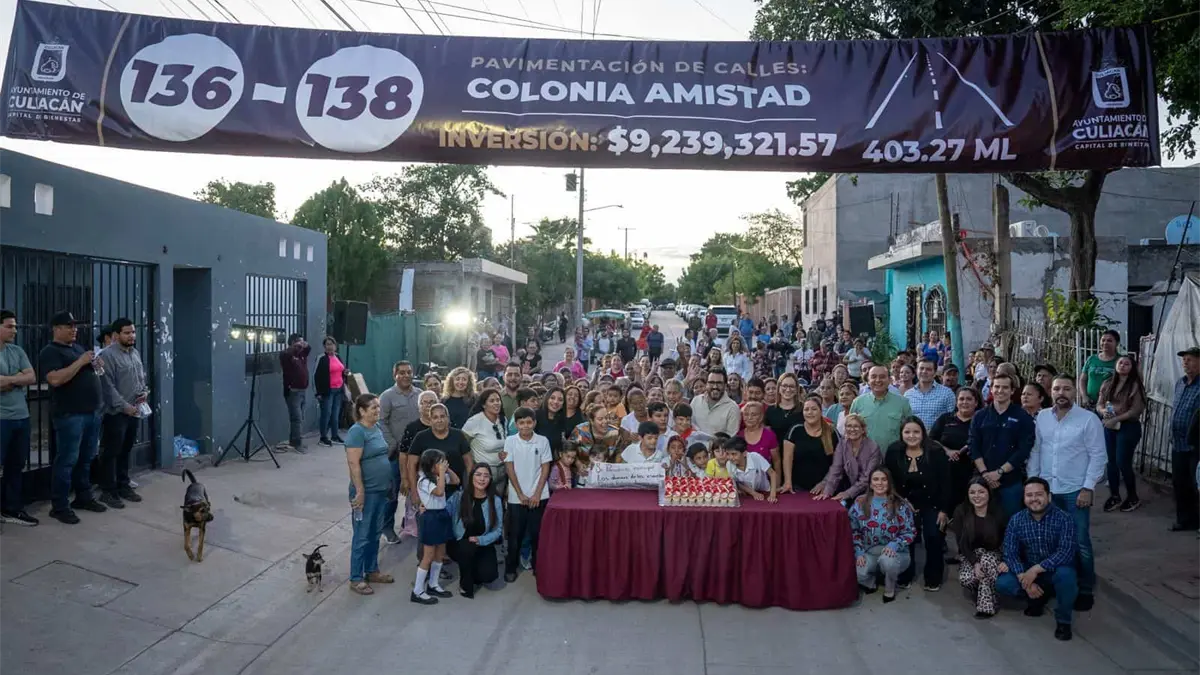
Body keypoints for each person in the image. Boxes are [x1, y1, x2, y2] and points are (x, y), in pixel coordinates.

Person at [1028, 375, 1106, 611]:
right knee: (1048, 540)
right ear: (1050, 392)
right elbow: (1036, 452)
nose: (1061, 393)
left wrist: (1088, 487)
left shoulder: (1088, 420)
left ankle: (1085, 588)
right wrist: (1033, 484)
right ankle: (1053, 584)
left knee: (1079, 541)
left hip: (1075, 491)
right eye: (1056, 388)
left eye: (1066, 389)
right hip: (1047, 491)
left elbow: (1098, 456)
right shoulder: (1042, 418)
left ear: (1074, 392)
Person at [40, 312, 107, 524]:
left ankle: (83, 496)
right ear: (56, 329)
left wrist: (97, 365)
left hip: (91, 412)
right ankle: (59, 506)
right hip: (70, 415)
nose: (74, 329)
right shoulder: (50, 352)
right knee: (67, 460)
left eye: (75, 326)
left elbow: (92, 373)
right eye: (69, 326)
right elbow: (55, 379)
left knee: (86, 458)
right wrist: (81, 361)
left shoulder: (77, 348)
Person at [996, 477, 1079, 641]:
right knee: (1003, 583)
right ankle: (1035, 597)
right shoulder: (1016, 520)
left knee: (1067, 576)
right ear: (1024, 498)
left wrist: (1036, 570)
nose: (1034, 499)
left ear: (1049, 496)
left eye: (1039, 494)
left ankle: (1063, 621)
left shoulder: (1064, 519)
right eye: (1029, 495)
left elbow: (1066, 552)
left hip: (1054, 570)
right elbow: (1010, 552)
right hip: (1028, 570)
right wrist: (1024, 578)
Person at [885, 417, 952, 592]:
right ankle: (905, 575)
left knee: (933, 537)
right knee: (907, 540)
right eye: (907, 432)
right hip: (904, 503)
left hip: (933, 503)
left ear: (923, 433)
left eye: (916, 432)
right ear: (901, 434)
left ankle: (933, 577)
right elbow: (889, 481)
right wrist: (899, 500)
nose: (912, 436)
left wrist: (944, 510)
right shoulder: (893, 451)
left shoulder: (936, 451)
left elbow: (946, 483)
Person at [95, 317, 148, 508]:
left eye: (133, 332)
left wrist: (143, 393)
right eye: (127, 332)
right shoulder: (107, 355)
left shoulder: (135, 353)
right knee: (111, 452)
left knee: (125, 450)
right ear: (116, 335)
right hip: (116, 413)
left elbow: (139, 378)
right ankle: (108, 491)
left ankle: (123, 485)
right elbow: (107, 386)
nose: (132, 336)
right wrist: (124, 406)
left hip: (134, 411)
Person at [344, 394, 393, 596]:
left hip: (381, 490)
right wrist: (360, 492)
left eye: (378, 407)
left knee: (375, 533)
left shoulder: (377, 428)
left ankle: (372, 570)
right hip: (366, 492)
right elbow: (353, 464)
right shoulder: (357, 432)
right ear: (362, 411)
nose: (377, 410)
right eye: (373, 407)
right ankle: (356, 577)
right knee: (362, 535)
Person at [968, 373, 1035, 516]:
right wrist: (986, 474)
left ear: (1012, 391)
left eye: (1005, 387)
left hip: (1011, 481)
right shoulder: (979, 416)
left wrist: (999, 472)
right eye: (996, 386)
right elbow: (973, 446)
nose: (1000, 390)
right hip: (982, 481)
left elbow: (1023, 449)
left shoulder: (1023, 417)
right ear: (991, 389)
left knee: (1011, 523)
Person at [850, 468, 916, 602]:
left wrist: (894, 545)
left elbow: (910, 532)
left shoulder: (900, 504)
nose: (879, 483)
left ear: (889, 483)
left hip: (896, 552)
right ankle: (871, 583)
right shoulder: (860, 503)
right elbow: (853, 530)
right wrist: (859, 552)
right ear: (870, 484)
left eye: (884, 479)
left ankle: (890, 588)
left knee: (887, 561)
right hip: (870, 550)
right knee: (857, 572)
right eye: (875, 479)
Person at [504, 407, 552, 581]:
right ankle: (511, 567)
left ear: (534, 423)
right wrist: (520, 494)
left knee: (537, 534)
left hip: (539, 495)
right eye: (521, 423)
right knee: (515, 535)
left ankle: (538, 566)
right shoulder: (510, 441)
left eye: (529, 422)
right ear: (516, 424)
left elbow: (545, 467)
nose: (525, 426)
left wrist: (537, 494)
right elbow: (509, 468)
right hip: (517, 497)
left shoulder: (542, 441)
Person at [950, 478, 1010, 618]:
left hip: (995, 552)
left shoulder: (999, 512)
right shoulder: (961, 511)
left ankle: (986, 606)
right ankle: (984, 588)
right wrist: (974, 562)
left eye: (981, 492)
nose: (976, 496)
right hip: (971, 553)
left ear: (989, 493)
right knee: (966, 578)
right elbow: (962, 543)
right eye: (972, 492)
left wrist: (1006, 560)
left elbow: (1006, 540)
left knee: (987, 561)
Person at [0, 309, 37, 527]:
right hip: (1, 418)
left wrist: (8, 380)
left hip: (21, 416)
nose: (14, 330)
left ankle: (11, 509)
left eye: (15, 326)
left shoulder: (17, 350)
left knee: (16, 465)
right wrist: (18, 379)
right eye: (9, 326)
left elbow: (32, 376)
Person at [1096, 354, 1146, 513]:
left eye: (1127, 364)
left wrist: (1117, 418)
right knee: (1110, 462)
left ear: (1132, 368)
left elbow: (1136, 410)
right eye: (1120, 363)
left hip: (1128, 426)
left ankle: (1133, 496)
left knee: (1122, 461)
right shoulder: (1108, 383)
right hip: (1110, 425)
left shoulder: (1135, 386)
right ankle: (1115, 495)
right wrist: (1104, 412)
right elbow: (1099, 404)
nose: (1123, 365)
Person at [447, 464, 503, 598]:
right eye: (478, 475)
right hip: (460, 542)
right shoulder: (459, 497)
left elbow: (498, 529)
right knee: (467, 549)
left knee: (489, 575)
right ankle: (465, 584)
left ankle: (472, 570)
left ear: (490, 479)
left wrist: (481, 540)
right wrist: (426, 508)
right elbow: (442, 512)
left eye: (486, 476)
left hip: (481, 542)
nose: (482, 479)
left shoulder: (495, 500)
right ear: (471, 477)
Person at [412, 448, 460, 604]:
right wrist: (440, 473)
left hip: (442, 515)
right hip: (431, 517)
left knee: (440, 552)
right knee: (429, 554)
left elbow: (456, 481)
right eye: (439, 462)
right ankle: (418, 590)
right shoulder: (424, 481)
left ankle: (433, 584)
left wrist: (447, 469)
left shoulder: (439, 477)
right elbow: (439, 492)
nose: (442, 466)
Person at [931, 387, 982, 522]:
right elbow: (931, 439)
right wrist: (947, 451)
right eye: (961, 399)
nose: (964, 402)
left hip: (972, 474)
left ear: (976, 402)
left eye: (969, 399)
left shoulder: (981, 420)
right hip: (946, 473)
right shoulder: (945, 419)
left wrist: (969, 446)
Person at [814, 413, 881, 503]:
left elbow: (867, 478)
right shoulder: (842, 444)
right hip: (850, 485)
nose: (852, 429)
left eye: (856, 426)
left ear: (863, 429)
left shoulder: (873, 447)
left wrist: (847, 494)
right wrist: (827, 492)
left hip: (870, 490)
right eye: (849, 426)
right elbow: (836, 469)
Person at [1169, 347, 1200, 533]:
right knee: (1180, 483)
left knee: (1196, 484)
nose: (1185, 363)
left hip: (1196, 444)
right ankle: (1184, 519)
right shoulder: (1180, 383)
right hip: (1178, 442)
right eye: (1184, 360)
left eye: (1190, 359)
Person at [850, 365, 913, 450]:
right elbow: (850, 432)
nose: (878, 380)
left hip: (893, 456)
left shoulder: (903, 403)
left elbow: (910, 431)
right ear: (868, 380)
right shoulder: (857, 403)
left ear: (889, 380)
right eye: (873, 377)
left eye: (882, 377)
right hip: (864, 458)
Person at [782, 396, 837, 493]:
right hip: (798, 488)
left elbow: (838, 463)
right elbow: (787, 458)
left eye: (814, 409)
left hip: (825, 489)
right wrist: (788, 482)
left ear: (821, 411)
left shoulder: (832, 432)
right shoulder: (795, 430)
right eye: (806, 409)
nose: (810, 412)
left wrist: (825, 483)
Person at [462, 390, 509, 499]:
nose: (496, 403)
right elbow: (463, 446)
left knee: (496, 506)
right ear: (483, 404)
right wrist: (471, 467)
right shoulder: (474, 421)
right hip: (482, 473)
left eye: (498, 400)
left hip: (501, 472)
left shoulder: (503, 419)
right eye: (492, 401)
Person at [314, 337, 349, 446]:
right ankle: (323, 437)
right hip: (327, 391)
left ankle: (334, 436)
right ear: (324, 347)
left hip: (338, 390)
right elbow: (316, 376)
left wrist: (345, 372)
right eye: (327, 345)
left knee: (335, 414)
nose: (329, 347)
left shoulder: (338, 356)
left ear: (335, 345)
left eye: (331, 344)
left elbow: (341, 370)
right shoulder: (321, 358)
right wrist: (318, 393)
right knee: (326, 414)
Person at [280, 333, 311, 453]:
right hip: (292, 391)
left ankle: (294, 441)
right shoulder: (287, 355)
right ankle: (297, 443)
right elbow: (286, 354)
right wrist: (295, 347)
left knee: (300, 417)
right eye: (299, 343)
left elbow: (308, 349)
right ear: (292, 343)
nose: (301, 346)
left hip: (302, 390)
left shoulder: (302, 354)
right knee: (296, 418)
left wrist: (304, 345)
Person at [905, 358, 957, 430]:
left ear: (935, 373)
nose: (924, 371)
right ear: (917, 371)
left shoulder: (947, 393)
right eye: (921, 368)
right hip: (913, 437)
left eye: (928, 369)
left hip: (937, 439)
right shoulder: (908, 394)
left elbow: (952, 420)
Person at [724, 436, 778, 502]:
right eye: (727, 454)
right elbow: (736, 483)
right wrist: (753, 493)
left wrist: (772, 495)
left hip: (765, 491)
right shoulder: (728, 464)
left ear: (744, 453)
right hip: (747, 494)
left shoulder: (756, 457)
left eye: (734, 454)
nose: (730, 457)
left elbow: (772, 474)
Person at [1080, 330, 1120, 409]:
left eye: (1109, 340)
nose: (1105, 343)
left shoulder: (1120, 361)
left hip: (1110, 405)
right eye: (1103, 340)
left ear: (1117, 343)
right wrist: (1084, 396)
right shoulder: (1091, 359)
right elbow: (1082, 380)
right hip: (1090, 403)